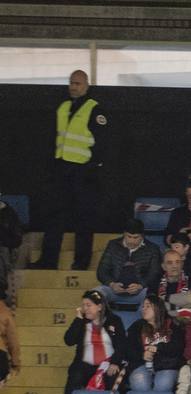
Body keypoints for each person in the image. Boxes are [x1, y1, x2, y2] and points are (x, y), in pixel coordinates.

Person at [38, 70, 106, 271]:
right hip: (61, 168)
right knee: (54, 215)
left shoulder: (94, 109)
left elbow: (103, 142)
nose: (73, 87)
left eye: (77, 83)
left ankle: (81, 262)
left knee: (83, 217)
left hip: (82, 171)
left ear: (86, 85)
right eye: (71, 83)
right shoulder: (63, 107)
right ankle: (48, 261)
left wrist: (92, 168)